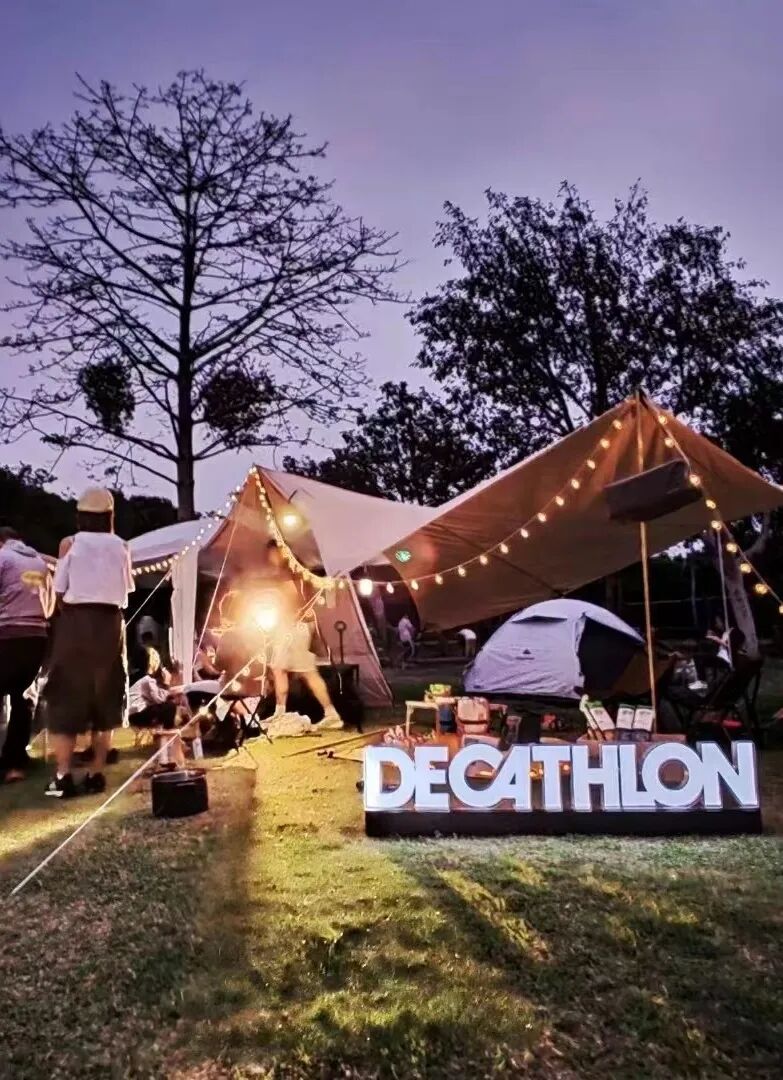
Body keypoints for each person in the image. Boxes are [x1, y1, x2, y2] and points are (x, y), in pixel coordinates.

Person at [41, 486, 134, 798]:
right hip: (111, 625)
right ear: (110, 516)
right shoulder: (122, 546)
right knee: (106, 694)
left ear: (80, 515)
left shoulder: (70, 543)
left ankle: (63, 776)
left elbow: (60, 589)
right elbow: (125, 590)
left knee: (66, 694)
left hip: (76, 623)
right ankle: (96, 774)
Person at [261, 541, 343, 731]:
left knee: (297, 670)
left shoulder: (287, 570)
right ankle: (283, 712)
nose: (270, 558)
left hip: (295, 627)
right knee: (287, 668)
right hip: (298, 626)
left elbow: (291, 596)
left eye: (272, 553)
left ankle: (329, 714)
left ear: (281, 552)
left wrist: (283, 615)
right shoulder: (297, 568)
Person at [0, 527, 53, 782]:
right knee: (21, 697)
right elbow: (50, 605)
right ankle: (15, 759)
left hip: (7, 634)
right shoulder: (40, 563)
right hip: (37, 637)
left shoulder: (3, 558)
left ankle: (5, 764)